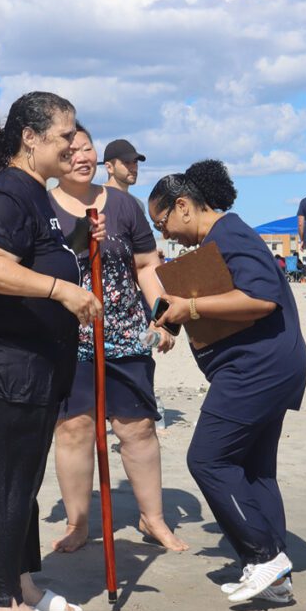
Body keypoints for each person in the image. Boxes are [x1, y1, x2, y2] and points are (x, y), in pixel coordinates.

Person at [0, 92, 102, 611]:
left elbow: (32, 257)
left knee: (28, 477)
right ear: (30, 138)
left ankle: (22, 583)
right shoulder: (8, 194)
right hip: (5, 361)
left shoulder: (35, 195)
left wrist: (80, 243)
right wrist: (63, 289)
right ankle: (1, 602)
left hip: (36, 361)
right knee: (9, 479)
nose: (73, 144)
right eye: (64, 135)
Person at [150, 159, 306, 605]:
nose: (164, 234)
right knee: (254, 471)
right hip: (269, 364)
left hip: (256, 369)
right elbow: (206, 294)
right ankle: (276, 576)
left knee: (208, 460)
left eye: (162, 222)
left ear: (183, 206)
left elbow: (260, 299)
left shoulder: (231, 234)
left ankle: (264, 558)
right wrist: (171, 323)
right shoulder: (214, 245)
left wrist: (191, 311)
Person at [48, 123, 187, 554]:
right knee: (74, 429)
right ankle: (78, 523)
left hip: (125, 332)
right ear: (54, 156)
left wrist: (162, 319)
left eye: (88, 148)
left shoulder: (126, 206)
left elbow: (146, 265)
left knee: (139, 427)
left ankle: (154, 518)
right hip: (69, 337)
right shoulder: (42, 205)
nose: (82, 156)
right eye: (71, 150)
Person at [102, 138, 147, 212]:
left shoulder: (137, 205)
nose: (133, 168)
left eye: (135, 162)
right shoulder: (96, 200)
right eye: (127, 162)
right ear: (109, 167)